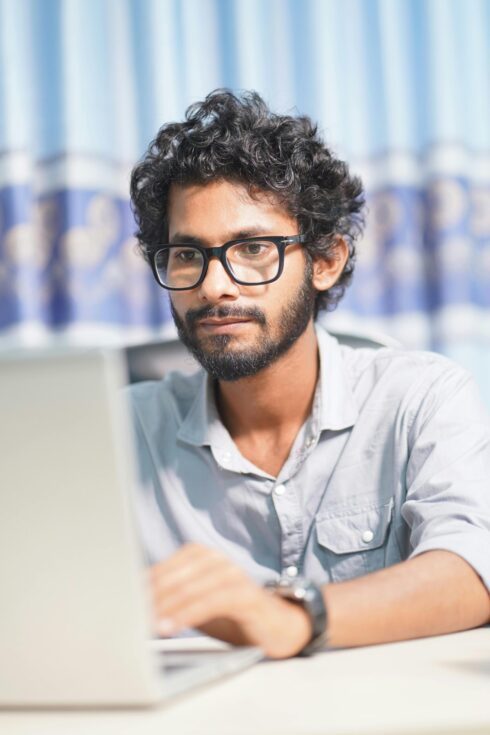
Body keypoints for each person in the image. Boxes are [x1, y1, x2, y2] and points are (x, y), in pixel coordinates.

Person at [128, 90, 490, 659]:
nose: (214, 286)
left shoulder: (422, 397)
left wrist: (293, 618)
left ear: (326, 261)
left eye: (252, 248)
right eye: (187, 255)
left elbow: (471, 569)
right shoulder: (117, 432)